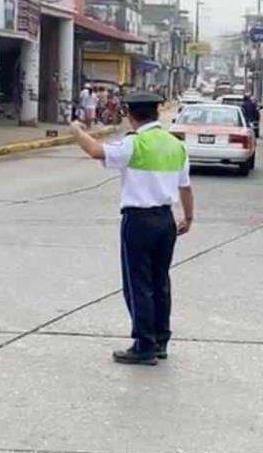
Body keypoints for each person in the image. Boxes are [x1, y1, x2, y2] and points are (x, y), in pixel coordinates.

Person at [70, 91, 193, 365]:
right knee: (160, 281)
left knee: (138, 283)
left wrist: (76, 130)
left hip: (139, 221)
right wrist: (189, 217)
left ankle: (144, 345)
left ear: (130, 115)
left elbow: (94, 150)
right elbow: (185, 186)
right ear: (157, 113)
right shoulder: (176, 146)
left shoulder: (134, 144)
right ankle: (161, 340)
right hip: (166, 220)